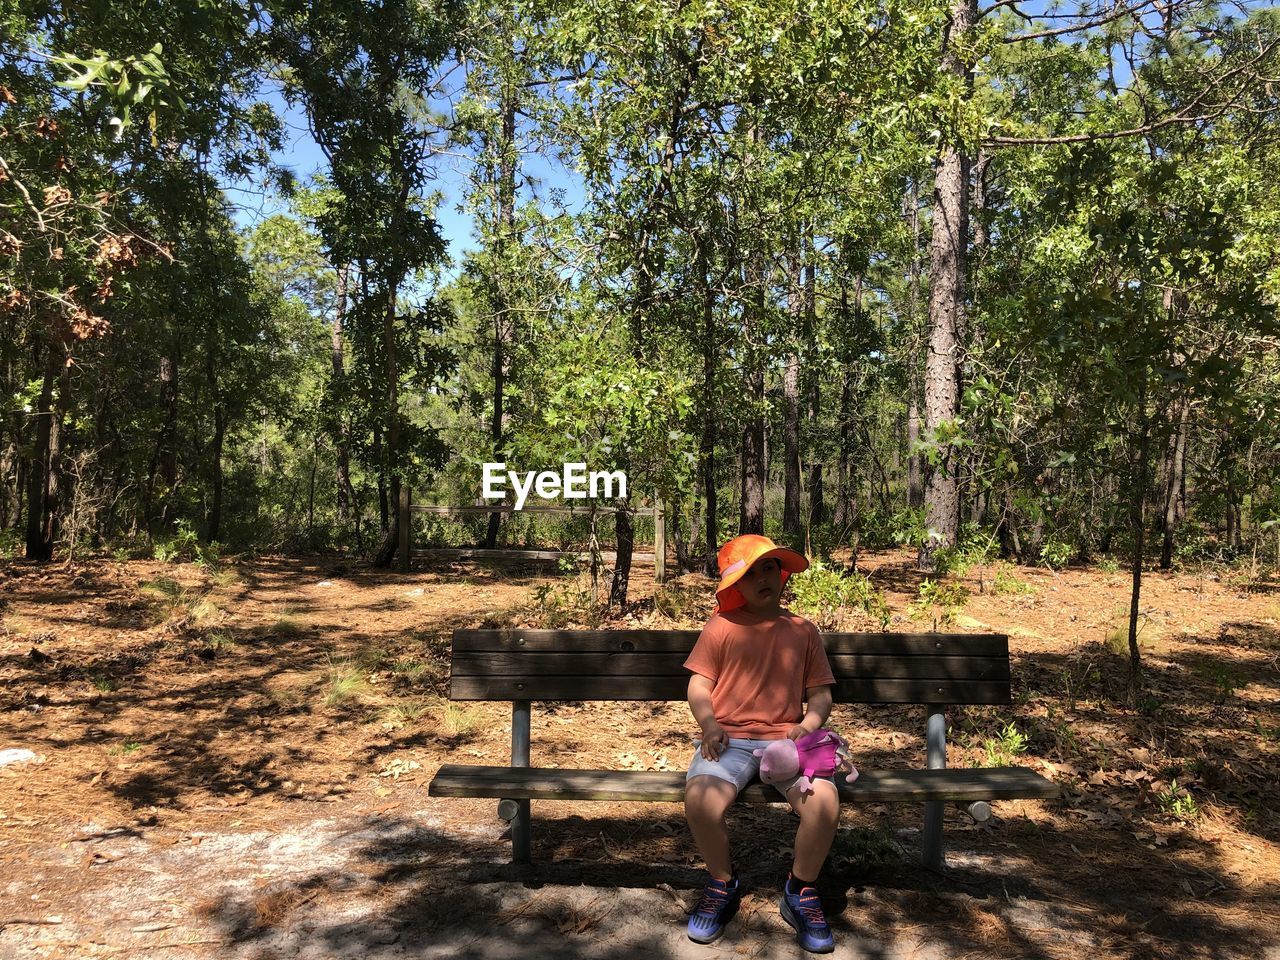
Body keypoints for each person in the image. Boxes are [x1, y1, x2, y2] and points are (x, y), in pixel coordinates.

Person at [682, 533, 840, 953]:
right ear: (735, 585)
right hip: (728, 740)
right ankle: (722, 881)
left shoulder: (802, 630)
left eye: (769, 567)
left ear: (782, 573)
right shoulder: (721, 627)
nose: (763, 577)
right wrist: (709, 724)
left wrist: (809, 723)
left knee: (823, 803)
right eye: (750, 572)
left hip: (787, 744)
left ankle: (800, 889)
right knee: (700, 800)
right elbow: (699, 685)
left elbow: (821, 692)